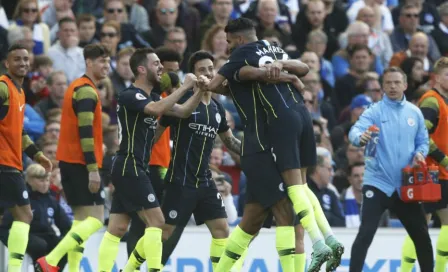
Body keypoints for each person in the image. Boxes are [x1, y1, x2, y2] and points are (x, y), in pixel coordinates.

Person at [200, 18, 343, 272]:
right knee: (287, 209)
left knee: (254, 221)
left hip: (265, 141)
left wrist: (280, 74)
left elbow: (226, 80)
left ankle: (322, 243)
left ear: (240, 40)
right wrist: (285, 76)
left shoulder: (241, 57)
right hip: (262, 145)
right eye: (205, 68)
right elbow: (248, 76)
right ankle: (322, 242)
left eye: (229, 43)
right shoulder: (266, 52)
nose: (227, 49)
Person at [123, 50, 242, 271]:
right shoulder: (182, 102)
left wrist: (255, 150)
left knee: (222, 229)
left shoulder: (217, 109)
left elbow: (231, 141)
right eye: (201, 70)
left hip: (205, 182)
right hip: (180, 180)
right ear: (193, 75)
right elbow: (155, 134)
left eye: (210, 69)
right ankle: (129, 268)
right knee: (164, 232)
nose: (207, 74)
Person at [96, 48, 205, 272]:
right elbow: (155, 109)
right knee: (157, 222)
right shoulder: (130, 94)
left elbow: (183, 111)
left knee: (117, 228)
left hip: (132, 167)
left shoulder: (153, 97)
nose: (161, 68)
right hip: (129, 164)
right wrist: (183, 86)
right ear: (141, 69)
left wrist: (198, 92)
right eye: (156, 64)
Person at [348, 66, 434, 272]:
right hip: (377, 182)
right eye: (388, 83)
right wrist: (360, 138)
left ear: (405, 85)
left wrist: (420, 153)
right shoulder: (374, 110)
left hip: (405, 185)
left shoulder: (415, 113)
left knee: (421, 235)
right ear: (383, 86)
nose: (393, 86)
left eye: (397, 82)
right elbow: (355, 130)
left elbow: (423, 141)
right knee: (366, 233)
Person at [35, 44, 111, 272]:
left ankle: (73, 269)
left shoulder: (76, 87)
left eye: (108, 61)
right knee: (96, 219)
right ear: (89, 62)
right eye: (101, 61)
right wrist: (93, 169)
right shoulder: (87, 90)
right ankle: (51, 259)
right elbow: (85, 132)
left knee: (80, 221)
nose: (106, 66)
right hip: (81, 163)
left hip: (70, 161)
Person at [0, 44, 52, 272]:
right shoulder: (3, 87)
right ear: (7, 63)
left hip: (11, 162)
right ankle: (14, 268)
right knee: (24, 215)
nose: (22, 63)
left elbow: (18, 131)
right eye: (17, 59)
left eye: (25, 59)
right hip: (5, 164)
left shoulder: (19, 91)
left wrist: (37, 155)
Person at [401, 57, 448, 272]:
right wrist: (444, 159)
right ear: (436, 78)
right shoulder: (432, 101)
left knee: (439, 223)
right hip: (430, 171)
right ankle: (406, 269)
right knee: (421, 224)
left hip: (439, 173)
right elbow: (422, 135)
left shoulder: (442, 101)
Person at [0, 164, 71, 268]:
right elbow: (3, 227)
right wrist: (11, 244)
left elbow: (65, 224)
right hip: (29, 235)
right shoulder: (22, 201)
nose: (45, 184)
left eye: (47, 180)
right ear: (29, 180)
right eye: (41, 181)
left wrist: (64, 239)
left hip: (47, 234)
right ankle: (40, 269)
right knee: (40, 245)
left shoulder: (50, 200)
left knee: (65, 246)